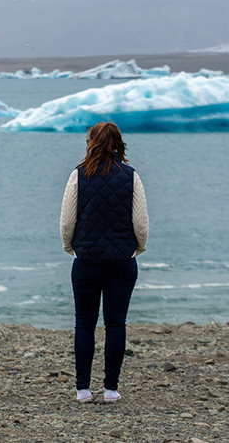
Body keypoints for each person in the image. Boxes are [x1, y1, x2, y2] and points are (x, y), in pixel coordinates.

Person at [60, 122, 149, 403]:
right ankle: (111, 389)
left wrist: (70, 247)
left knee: (84, 324)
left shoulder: (78, 175)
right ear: (118, 142)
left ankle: (83, 390)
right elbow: (141, 222)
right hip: (122, 261)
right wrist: (138, 248)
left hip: (87, 259)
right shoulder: (131, 176)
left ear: (91, 141)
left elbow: (67, 219)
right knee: (116, 324)